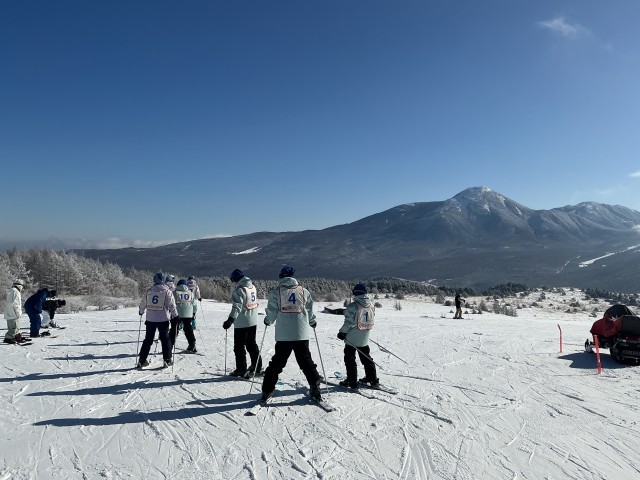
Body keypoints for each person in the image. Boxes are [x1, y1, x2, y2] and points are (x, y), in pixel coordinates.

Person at [260, 265, 322, 402]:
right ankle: (315, 386)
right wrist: (312, 321)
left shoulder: (276, 292)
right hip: (301, 333)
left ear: (281, 277)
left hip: (284, 334)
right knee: (305, 361)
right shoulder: (304, 291)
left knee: (277, 362)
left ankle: (267, 390)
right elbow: (309, 310)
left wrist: (268, 320)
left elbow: (272, 311)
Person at [337, 283, 378, 389]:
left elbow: (349, 323)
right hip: (365, 336)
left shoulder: (352, 306)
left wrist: (342, 332)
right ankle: (372, 379)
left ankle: (352, 381)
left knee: (350, 359)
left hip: (352, 338)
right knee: (366, 358)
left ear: (355, 293)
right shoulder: (371, 305)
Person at [223, 269, 262, 377]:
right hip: (253, 320)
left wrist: (230, 319)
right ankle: (257, 366)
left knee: (239, 347)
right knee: (251, 344)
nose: (233, 282)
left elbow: (237, 307)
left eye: (232, 280)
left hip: (242, 322)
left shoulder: (239, 290)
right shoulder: (252, 287)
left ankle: (241, 369)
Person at [137, 272, 179, 369]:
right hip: (163, 319)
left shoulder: (149, 291)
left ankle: (142, 360)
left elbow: (143, 303)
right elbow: (172, 305)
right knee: (165, 339)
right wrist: (176, 316)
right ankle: (167, 360)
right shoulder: (167, 291)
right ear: (163, 280)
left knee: (148, 339)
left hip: (150, 319)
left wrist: (141, 311)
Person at [170, 279, 198, 353]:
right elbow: (194, 304)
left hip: (176, 314)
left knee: (174, 329)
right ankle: (192, 345)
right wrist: (194, 313)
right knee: (188, 329)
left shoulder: (174, 292)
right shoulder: (190, 293)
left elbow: (170, 303)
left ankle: (170, 345)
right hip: (188, 314)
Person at [4, 279, 26, 344]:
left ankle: (14, 337)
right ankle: (9, 338)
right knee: (15, 327)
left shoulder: (10, 291)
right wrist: (18, 313)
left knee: (11, 327)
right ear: (19, 285)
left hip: (8, 312)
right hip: (13, 313)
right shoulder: (16, 292)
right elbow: (16, 304)